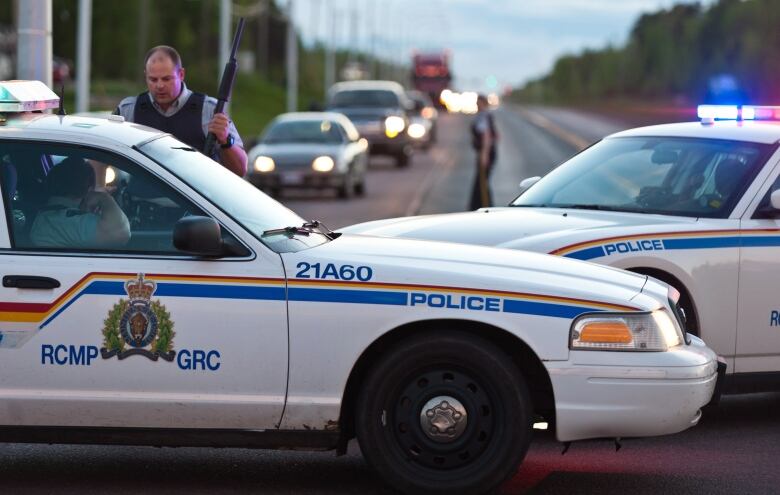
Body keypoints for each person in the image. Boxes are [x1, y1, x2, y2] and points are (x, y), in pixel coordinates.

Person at [114, 45, 248, 177]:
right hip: (139, 197)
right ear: (145, 76)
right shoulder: (128, 110)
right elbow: (104, 154)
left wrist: (226, 141)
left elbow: (240, 170)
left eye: (167, 79)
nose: (159, 85)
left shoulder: (209, 110)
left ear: (181, 74)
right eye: (153, 79)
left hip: (194, 197)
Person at [29, 157, 131, 248]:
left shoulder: (50, 217)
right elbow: (121, 233)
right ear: (88, 189)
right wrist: (104, 198)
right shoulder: (67, 222)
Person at [469, 94, 497, 209]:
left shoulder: (483, 117)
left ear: (483, 103)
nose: (477, 105)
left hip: (485, 152)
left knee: (481, 182)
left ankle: (485, 207)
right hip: (486, 152)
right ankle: (483, 206)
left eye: (479, 102)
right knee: (482, 182)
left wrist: (484, 155)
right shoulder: (485, 116)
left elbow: (486, 136)